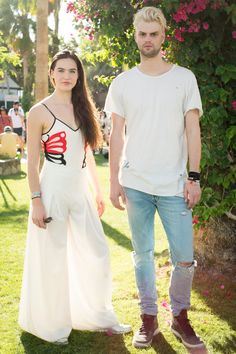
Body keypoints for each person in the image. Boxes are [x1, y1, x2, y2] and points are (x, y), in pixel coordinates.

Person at [105, 6, 204, 350]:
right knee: (142, 254)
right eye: (142, 34)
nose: (148, 40)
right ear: (135, 36)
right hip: (136, 183)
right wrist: (114, 181)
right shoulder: (123, 82)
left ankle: (179, 317)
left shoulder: (184, 78)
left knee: (184, 259)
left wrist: (194, 176)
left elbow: (193, 128)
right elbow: (116, 136)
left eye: (154, 34)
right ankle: (149, 319)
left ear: (164, 36)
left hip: (175, 184)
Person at [18, 50, 131, 345]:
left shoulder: (84, 109)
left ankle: (98, 315)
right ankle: (53, 326)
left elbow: (87, 154)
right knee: (53, 257)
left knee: (96, 251)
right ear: (52, 74)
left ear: (79, 76)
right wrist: (36, 200)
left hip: (79, 188)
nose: (67, 76)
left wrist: (96, 190)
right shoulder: (38, 112)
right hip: (52, 188)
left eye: (73, 71)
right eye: (62, 70)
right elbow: (31, 163)